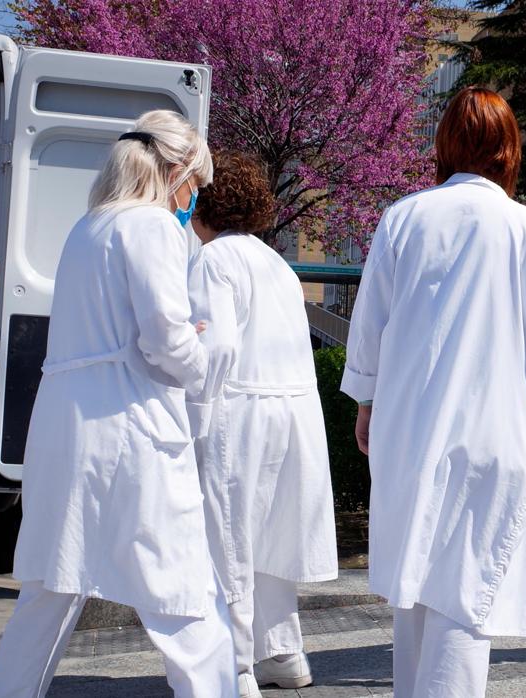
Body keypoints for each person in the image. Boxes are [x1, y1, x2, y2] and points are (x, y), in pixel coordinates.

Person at [0, 110, 237, 697]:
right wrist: (202, 365)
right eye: (194, 184)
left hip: (67, 427)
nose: (193, 198)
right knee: (184, 595)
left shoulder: (87, 228)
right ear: (174, 170)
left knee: (49, 590)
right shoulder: (151, 227)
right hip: (132, 428)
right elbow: (164, 337)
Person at [341, 87, 526, 698]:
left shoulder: (405, 217)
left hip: (413, 429)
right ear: (508, 150)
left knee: (416, 585)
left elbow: (370, 325)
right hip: (500, 432)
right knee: (468, 594)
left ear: (445, 143)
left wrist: (367, 404)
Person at [186, 151, 339, 698]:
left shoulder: (212, 260)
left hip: (241, 408)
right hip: (294, 406)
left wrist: (193, 408)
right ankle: (282, 651)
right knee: (275, 536)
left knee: (229, 536)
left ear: (205, 203)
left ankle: (236, 666)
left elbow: (217, 344)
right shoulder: (275, 262)